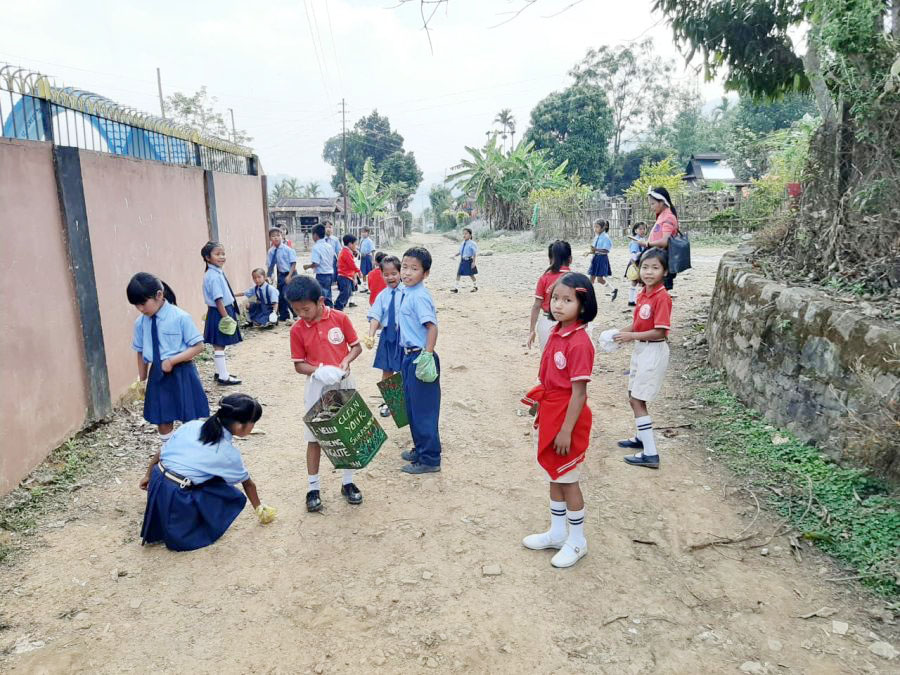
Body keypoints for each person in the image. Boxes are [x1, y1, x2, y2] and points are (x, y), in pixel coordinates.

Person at [521, 272, 597, 568]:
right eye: (555, 298)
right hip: (551, 411)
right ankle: (557, 531)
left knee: (569, 479)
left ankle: (577, 540)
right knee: (554, 475)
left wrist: (566, 430)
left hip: (568, 417)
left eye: (567, 300)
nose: (558, 305)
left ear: (583, 304)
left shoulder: (579, 342)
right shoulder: (556, 331)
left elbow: (579, 393)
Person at [139, 393, 276, 551]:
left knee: (204, 475)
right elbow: (248, 484)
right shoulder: (228, 454)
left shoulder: (192, 425)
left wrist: (148, 475)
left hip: (157, 482)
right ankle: (190, 527)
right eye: (253, 422)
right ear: (240, 426)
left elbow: (162, 451)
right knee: (229, 492)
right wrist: (260, 509)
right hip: (177, 495)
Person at [285, 276, 364, 511]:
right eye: (296, 310)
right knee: (315, 437)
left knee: (346, 433)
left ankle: (348, 482)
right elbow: (299, 365)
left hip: (343, 382)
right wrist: (318, 371)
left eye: (305, 309)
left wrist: (346, 362)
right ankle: (313, 487)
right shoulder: (297, 330)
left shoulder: (340, 318)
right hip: (317, 387)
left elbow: (356, 347)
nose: (302, 314)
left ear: (320, 301)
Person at [128, 273, 209, 442]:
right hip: (157, 374)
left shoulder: (180, 317)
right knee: (162, 417)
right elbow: (140, 351)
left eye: (143, 303)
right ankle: (169, 449)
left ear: (159, 295)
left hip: (182, 372)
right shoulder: (140, 323)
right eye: (136, 305)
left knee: (189, 416)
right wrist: (142, 377)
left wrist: (173, 360)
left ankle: (192, 450)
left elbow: (199, 346)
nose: (140, 309)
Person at [613, 248, 673, 469]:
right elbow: (638, 324)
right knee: (633, 395)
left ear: (664, 271)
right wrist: (618, 334)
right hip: (641, 349)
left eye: (655, 268)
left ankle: (650, 453)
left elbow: (660, 331)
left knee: (638, 400)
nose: (648, 272)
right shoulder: (643, 294)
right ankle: (641, 437)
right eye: (645, 267)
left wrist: (631, 336)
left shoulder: (662, 298)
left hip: (653, 351)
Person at [397, 247, 442, 474]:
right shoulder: (407, 292)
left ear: (425, 273)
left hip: (420, 356)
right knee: (413, 408)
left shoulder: (420, 296)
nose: (407, 272)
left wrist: (427, 355)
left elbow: (432, 327)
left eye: (414, 269)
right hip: (409, 356)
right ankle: (420, 449)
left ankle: (430, 459)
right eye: (405, 267)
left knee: (424, 411)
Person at [363, 255, 403, 417]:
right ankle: (389, 402)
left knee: (405, 370)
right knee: (387, 370)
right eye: (386, 274)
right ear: (381, 275)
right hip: (387, 336)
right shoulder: (382, 296)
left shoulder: (408, 292)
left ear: (400, 273)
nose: (390, 277)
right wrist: (371, 335)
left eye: (394, 273)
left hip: (404, 336)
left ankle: (405, 402)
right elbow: (376, 316)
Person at [201, 241, 242, 385]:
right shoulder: (213, 276)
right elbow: (218, 299)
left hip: (219, 311)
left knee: (220, 344)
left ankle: (220, 372)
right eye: (217, 254)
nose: (222, 257)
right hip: (220, 311)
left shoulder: (215, 272)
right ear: (207, 257)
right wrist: (226, 318)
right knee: (219, 344)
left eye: (223, 254)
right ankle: (223, 377)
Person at [527, 240, 572, 352]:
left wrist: (532, 330)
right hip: (570, 323)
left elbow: (537, 306)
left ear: (550, 260)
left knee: (548, 358)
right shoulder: (575, 278)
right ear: (570, 259)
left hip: (547, 323)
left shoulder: (544, 278)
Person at [643, 186, 680, 291]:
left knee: (659, 292)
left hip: (662, 260)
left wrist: (647, 244)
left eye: (653, 203)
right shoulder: (662, 215)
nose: (651, 207)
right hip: (657, 258)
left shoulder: (668, 217)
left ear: (662, 202)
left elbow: (665, 241)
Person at [266, 227, 297, 322]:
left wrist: (289, 276)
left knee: (287, 294)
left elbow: (293, 263)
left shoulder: (288, 249)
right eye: (273, 236)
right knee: (279, 296)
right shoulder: (271, 251)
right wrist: (268, 276)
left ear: (282, 236)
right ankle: (284, 316)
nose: (276, 238)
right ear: (270, 238)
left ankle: (296, 313)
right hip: (281, 275)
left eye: (278, 235)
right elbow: (270, 265)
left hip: (290, 273)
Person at [303, 224, 336, 307]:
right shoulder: (329, 246)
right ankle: (330, 311)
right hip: (330, 273)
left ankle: (325, 312)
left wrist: (307, 266)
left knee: (321, 297)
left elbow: (316, 263)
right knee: (328, 296)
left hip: (322, 275)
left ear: (315, 235)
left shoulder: (316, 247)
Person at [588, 219, 617, 301]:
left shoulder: (606, 238)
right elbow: (594, 249)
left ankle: (613, 290)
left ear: (603, 227)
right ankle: (588, 295)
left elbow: (606, 250)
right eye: (594, 227)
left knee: (599, 279)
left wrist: (596, 250)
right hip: (596, 258)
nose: (595, 229)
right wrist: (590, 252)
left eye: (597, 227)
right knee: (592, 278)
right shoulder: (597, 236)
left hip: (602, 259)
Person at [335, 234, 359, 311]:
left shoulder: (345, 251)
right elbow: (352, 264)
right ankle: (338, 308)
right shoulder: (346, 252)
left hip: (345, 276)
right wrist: (358, 271)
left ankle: (339, 307)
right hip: (344, 276)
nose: (356, 246)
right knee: (345, 294)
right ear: (350, 244)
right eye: (355, 244)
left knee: (347, 293)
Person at [626, 222, 647, 307]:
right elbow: (633, 255)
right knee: (634, 281)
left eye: (644, 229)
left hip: (641, 262)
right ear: (635, 230)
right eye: (640, 229)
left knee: (641, 282)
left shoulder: (643, 240)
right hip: (636, 263)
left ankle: (635, 300)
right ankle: (632, 300)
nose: (642, 230)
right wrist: (642, 254)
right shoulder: (635, 241)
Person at [451, 228, 478, 293]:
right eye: (463, 234)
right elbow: (460, 252)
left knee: (471, 274)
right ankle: (456, 288)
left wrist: (473, 262)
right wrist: (454, 255)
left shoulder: (472, 243)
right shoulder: (463, 243)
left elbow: (474, 253)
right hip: (463, 261)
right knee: (458, 274)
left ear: (470, 235)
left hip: (469, 261)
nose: (464, 235)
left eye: (466, 233)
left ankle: (475, 286)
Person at [358, 227, 375, 291]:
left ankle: (370, 287)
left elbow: (373, 250)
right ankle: (365, 286)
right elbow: (360, 249)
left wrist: (373, 260)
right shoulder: (361, 240)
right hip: (363, 258)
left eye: (365, 232)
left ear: (368, 233)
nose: (363, 233)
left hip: (368, 257)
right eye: (362, 232)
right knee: (363, 272)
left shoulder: (369, 241)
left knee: (369, 272)